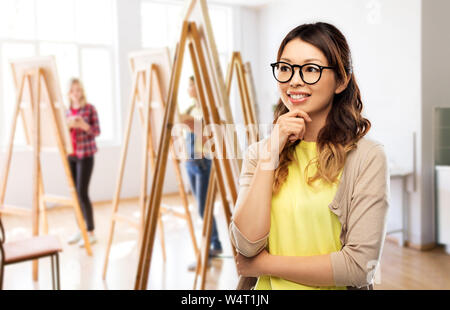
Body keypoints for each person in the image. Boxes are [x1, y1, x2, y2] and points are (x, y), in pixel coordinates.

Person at [229, 22, 389, 290]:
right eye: (285, 68)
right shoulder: (261, 153)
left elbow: (360, 268)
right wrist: (272, 149)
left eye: (311, 69)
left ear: (341, 80)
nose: (294, 80)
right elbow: (246, 245)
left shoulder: (367, 157)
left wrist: (263, 265)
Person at [179, 76, 223, 271]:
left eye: (192, 84)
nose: (189, 88)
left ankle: (210, 248)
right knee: (201, 207)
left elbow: (209, 137)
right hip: (190, 161)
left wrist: (193, 125)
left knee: (203, 208)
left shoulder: (206, 111)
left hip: (203, 161)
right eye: (188, 84)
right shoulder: (189, 110)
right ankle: (215, 244)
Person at [66, 78, 101, 247]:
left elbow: (96, 131)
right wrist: (69, 125)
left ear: (82, 91)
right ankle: (80, 229)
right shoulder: (66, 112)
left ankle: (91, 231)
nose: (76, 93)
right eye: (73, 90)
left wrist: (84, 125)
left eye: (78, 90)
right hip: (71, 154)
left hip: (86, 155)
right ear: (69, 93)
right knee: (74, 194)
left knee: (82, 193)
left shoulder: (90, 109)